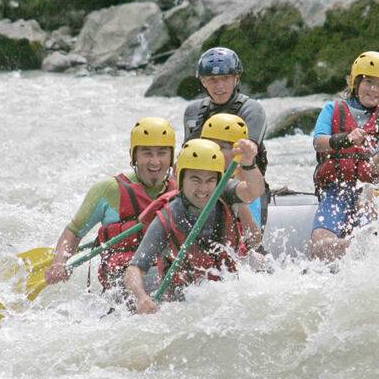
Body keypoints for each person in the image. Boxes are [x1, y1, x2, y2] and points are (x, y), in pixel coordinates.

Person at [123, 138, 265, 314]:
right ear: (182, 179)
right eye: (195, 180)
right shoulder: (167, 217)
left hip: (229, 296)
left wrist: (249, 163)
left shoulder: (224, 191)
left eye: (210, 180)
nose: (203, 188)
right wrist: (141, 298)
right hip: (184, 307)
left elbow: (254, 191)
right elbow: (135, 268)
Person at [45, 117, 176, 293]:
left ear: (171, 157)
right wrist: (59, 263)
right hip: (122, 278)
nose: (154, 161)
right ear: (134, 156)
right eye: (146, 153)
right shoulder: (108, 189)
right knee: (154, 278)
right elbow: (74, 232)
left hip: (165, 271)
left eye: (161, 153)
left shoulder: (183, 190)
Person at [310, 51, 379, 261]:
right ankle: (353, 247)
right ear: (355, 82)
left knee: (370, 195)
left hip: (374, 193)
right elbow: (319, 142)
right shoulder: (333, 108)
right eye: (369, 82)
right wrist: (345, 140)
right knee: (320, 247)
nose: (374, 90)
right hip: (337, 189)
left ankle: (364, 245)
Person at [182, 47, 269, 226]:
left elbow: (248, 153)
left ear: (236, 78)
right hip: (204, 186)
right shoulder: (193, 112)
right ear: (203, 81)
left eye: (225, 78)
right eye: (212, 80)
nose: (219, 86)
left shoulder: (251, 110)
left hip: (245, 186)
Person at [200, 113, 263, 250]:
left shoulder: (245, 184)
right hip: (203, 250)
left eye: (223, 147)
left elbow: (254, 240)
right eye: (211, 145)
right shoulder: (188, 175)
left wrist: (238, 203)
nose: (215, 152)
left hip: (235, 252)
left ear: (237, 152)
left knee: (259, 259)